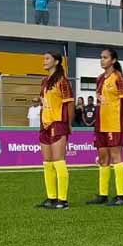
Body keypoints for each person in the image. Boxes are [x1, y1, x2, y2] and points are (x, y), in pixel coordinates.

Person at [89, 48, 123, 206]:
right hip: (100, 124)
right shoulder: (100, 79)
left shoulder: (118, 78)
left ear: (113, 60)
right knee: (103, 158)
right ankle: (103, 194)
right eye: (101, 57)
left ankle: (120, 196)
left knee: (116, 157)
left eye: (105, 57)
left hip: (114, 123)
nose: (102, 60)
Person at [37, 52, 73, 210]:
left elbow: (70, 104)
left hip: (58, 123)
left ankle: (63, 200)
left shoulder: (62, 81)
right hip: (44, 124)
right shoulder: (45, 81)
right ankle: (51, 197)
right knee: (47, 162)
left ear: (57, 62)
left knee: (59, 161)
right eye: (43, 58)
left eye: (47, 59)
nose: (44, 61)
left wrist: (68, 123)